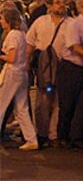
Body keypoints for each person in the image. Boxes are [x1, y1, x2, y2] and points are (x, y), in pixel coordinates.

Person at [26, 0, 70, 148]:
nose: (61, 6)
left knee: (58, 101)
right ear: (50, 6)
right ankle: (42, 133)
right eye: (57, 3)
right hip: (44, 67)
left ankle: (53, 135)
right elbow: (30, 43)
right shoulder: (40, 22)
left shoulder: (70, 23)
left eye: (63, 3)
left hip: (63, 67)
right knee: (43, 101)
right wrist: (26, 62)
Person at [57, 0, 83, 147]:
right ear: (80, 8)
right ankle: (63, 136)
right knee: (67, 104)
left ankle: (77, 137)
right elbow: (74, 46)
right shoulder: (74, 24)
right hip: (71, 67)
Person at [0, 9, 38, 150]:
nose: (1, 21)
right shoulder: (22, 34)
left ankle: (31, 139)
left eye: (2, 18)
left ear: (9, 21)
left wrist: (1, 56)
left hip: (12, 73)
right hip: (22, 73)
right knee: (22, 108)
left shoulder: (12, 35)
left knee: (1, 105)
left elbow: (11, 58)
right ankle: (31, 138)